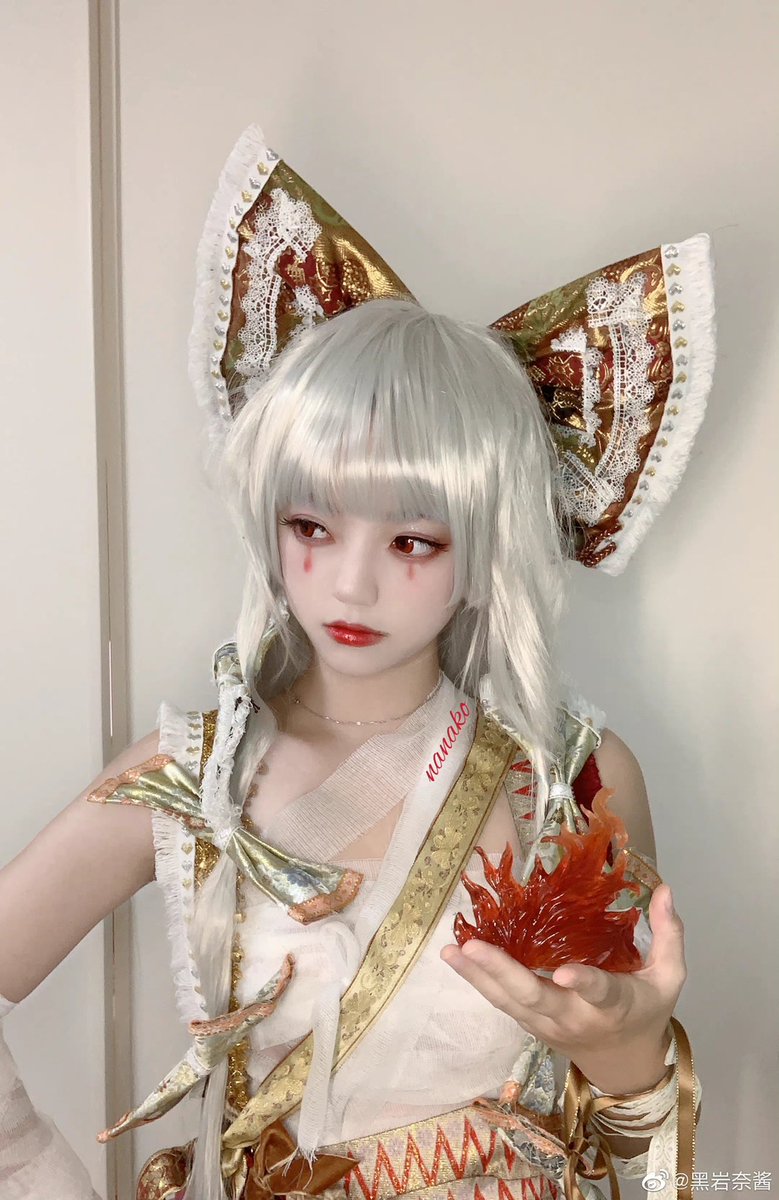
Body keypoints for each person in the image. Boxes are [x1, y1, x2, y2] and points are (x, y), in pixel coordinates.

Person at [0, 126, 713, 1200]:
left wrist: (625, 1058)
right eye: (311, 527)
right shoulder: (193, 779)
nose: (349, 585)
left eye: (412, 542)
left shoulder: (573, 778)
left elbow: (647, 1169)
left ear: (485, 550)